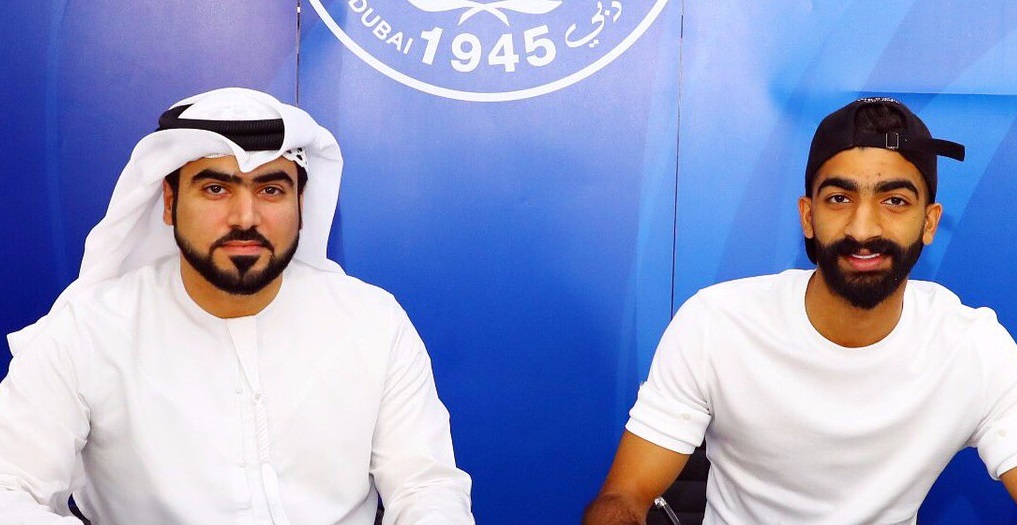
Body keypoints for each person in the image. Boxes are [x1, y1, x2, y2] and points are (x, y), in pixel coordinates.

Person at [0, 88, 474, 524]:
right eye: (216, 188)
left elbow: (426, 487)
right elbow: (8, 488)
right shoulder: (87, 330)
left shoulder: (371, 321)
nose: (245, 217)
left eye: (271, 190)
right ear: (169, 202)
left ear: (301, 204)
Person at [584, 97, 1017, 524]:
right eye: (839, 199)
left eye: (895, 201)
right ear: (807, 217)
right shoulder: (716, 324)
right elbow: (623, 497)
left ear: (929, 222)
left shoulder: (973, 348)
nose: (863, 228)